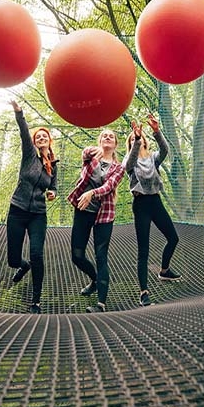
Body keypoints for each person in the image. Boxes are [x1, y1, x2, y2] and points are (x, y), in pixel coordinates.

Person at [123, 113, 180, 307]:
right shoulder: (130, 162)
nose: (136, 140)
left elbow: (165, 150)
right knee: (143, 251)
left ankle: (164, 271)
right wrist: (136, 139)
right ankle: (144, 293)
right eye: (132, 140)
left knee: (173, 238)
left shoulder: (153, 159)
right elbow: (128, 165)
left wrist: (156, 131)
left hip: (155, 202)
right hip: (141, 206)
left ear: (145, 141)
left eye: (138, 138)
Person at [6, 100, 58, 314]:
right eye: (38, 137)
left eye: (44, 136)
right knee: (13, 259)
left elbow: (53, 186)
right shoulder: (29, 155)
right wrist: (20, 113)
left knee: (37, 254)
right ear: (35, 142)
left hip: (38, 214)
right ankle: (22, 265)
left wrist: (53, 192)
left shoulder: (53, 164)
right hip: (17, 210)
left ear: (49, 140)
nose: (41, 138)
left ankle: (36, 301)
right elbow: (24, 132)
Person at [67, 129, 125, 313]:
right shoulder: (91, 157)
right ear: (100, 141)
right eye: (104, 136)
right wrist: (95, 151)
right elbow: (85, 152)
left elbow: (109, 186)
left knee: (101, 256)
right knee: (77, 256)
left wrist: (92, 193)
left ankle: (101, 304)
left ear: (115, 144)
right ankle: (94, 279)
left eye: (111, 136)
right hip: (83, 211)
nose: (108, 137)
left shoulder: (118, 168)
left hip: (104, 214)